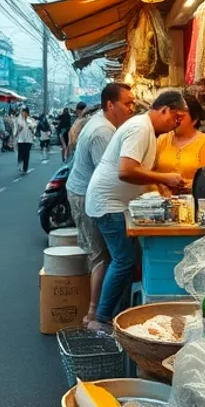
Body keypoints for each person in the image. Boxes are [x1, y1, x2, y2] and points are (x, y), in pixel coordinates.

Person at [87, 90, 189, 329]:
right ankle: (100, 320)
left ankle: (114, 314)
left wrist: (163, 187)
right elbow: (126, 170)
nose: (178, 123)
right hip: (108, 204)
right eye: (176, 117)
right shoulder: (140, 129)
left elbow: (143, 172)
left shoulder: (149, 132)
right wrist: (165, 178)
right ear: (164, 109)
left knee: (125, 261)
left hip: (116, 204)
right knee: (123, 261)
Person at [67, 84, 137, 325]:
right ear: (110, 105)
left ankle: (99, 311)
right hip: (85, 195)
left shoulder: (103, 124)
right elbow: (109, 174)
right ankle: (94, 315)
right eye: (127, 103)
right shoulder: (103, 132)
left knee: (106, 255)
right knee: (101, 256)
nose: (132, 108)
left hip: (83, 192)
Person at [153, 93, 205, 189]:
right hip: (160, 199)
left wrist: (185, 185)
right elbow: (150, 171)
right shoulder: (162, 139)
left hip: (190, 199)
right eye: (173, 116)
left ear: (194, 119)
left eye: (180, 117)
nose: (175, 121)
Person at [14, 108, 36, 174]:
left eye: (24, 112)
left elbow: (34, 130)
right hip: (20, 140)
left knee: (26, 154)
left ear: (27, 113)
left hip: (28, 140)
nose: (23, 114)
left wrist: (31, 128)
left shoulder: (31, 120)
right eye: (22, 112)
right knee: (20, 153)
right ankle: (20, 164)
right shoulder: (18, 120)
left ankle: (25, 169)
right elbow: (15, 131)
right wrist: (18, 131)